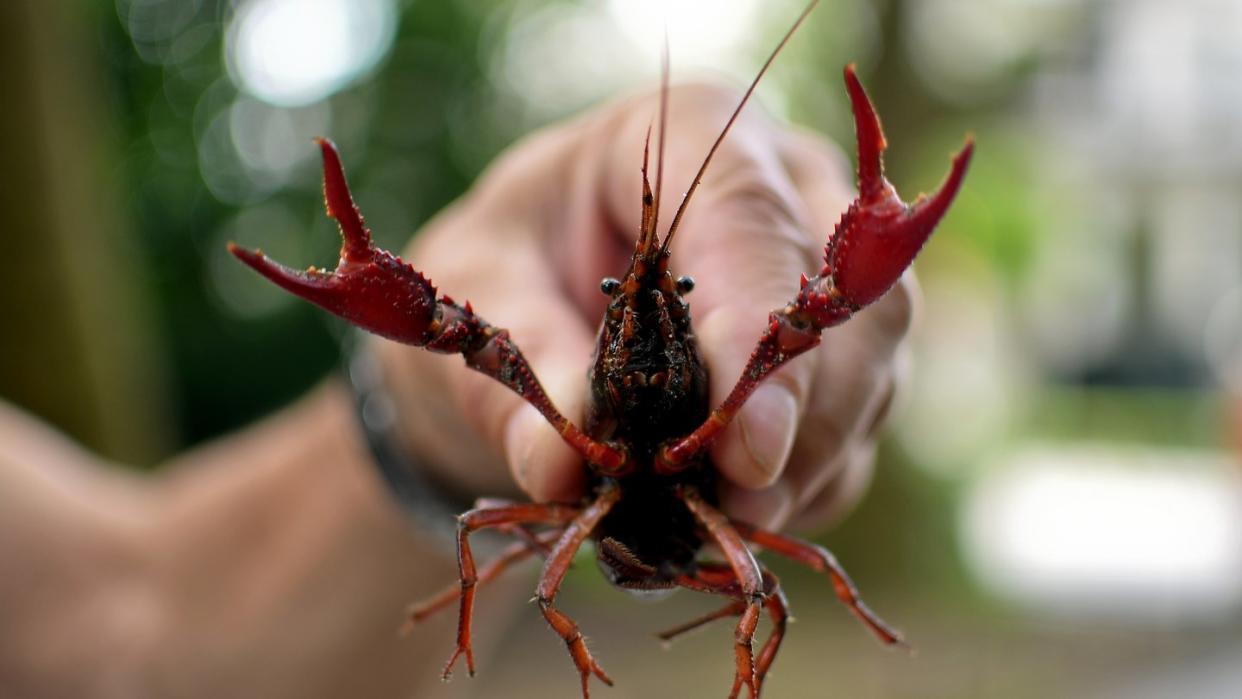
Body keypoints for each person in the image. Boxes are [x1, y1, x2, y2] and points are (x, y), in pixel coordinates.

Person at [0, 84, 914, 698]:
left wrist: (421, 435)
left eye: (660, 301)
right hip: (612, 512)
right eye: (619, 301)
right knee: (498, 533)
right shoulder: (569, 398)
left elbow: (123, 610)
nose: (637, 311)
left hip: (683, 514)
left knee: (779, 588)